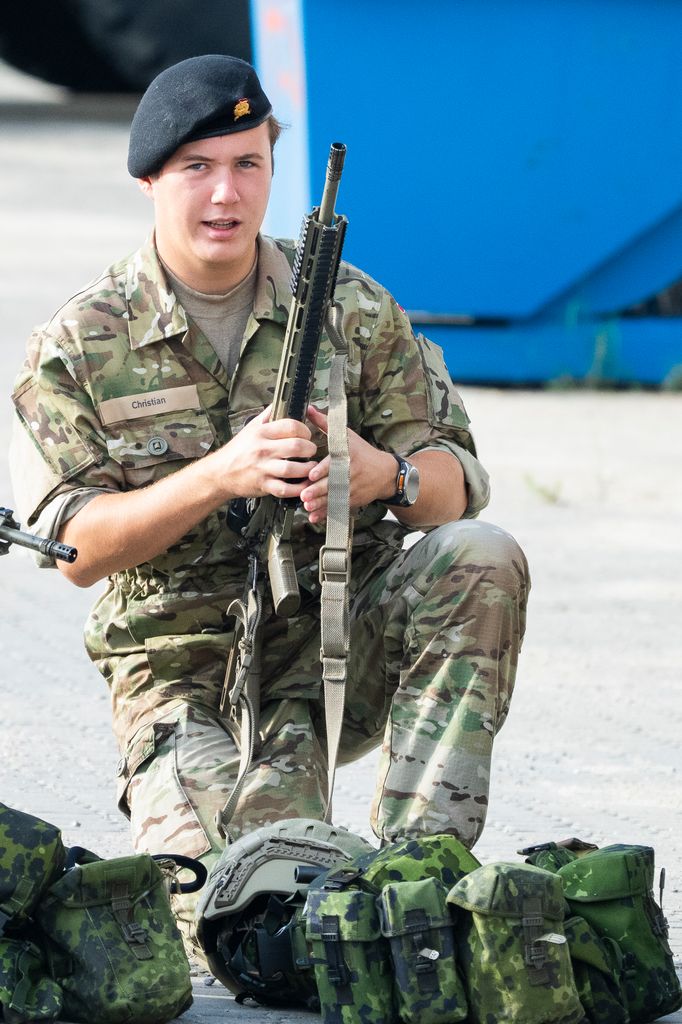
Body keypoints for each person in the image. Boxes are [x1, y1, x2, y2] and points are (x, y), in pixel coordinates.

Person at [10, 55, 529, 944]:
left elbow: (455, 485)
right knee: (246, 902)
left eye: (247, 164)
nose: (225, 195)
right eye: (196, 168)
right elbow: (77, 549)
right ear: (149, 180)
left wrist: (384, 477)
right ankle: (272, 842)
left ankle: (418, 878)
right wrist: (221, 472)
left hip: (334, 640)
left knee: (480, 558)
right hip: (184, 667)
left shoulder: (352, 309)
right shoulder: (79, 345)